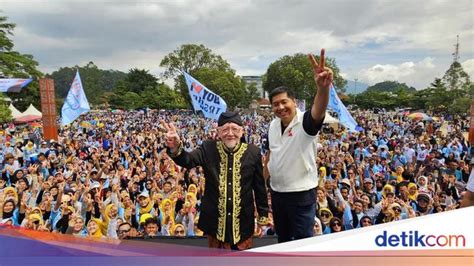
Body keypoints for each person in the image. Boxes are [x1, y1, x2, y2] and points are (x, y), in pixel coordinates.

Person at [163, 111, 270, 250]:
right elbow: (188, 161)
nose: (230, 133)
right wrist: (175, 146)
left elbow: (259, 187)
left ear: (242, 131)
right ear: (218, 132)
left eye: (234, 129)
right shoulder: (208, 148)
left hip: (243, 223)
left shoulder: (253, 152)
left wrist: (262, 216)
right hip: (215, 224)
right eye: (225, 129)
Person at [267, 49, 333, 243]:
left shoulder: (305, 122)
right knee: (284, 240)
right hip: (278, 193)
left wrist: (323, 88)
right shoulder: (272, 125)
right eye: (275, 104)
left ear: (294, 102)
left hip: (301, 194)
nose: (280, 107)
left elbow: (318, 110)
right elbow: (271, 155)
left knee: (303, 242)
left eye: (284, 102)